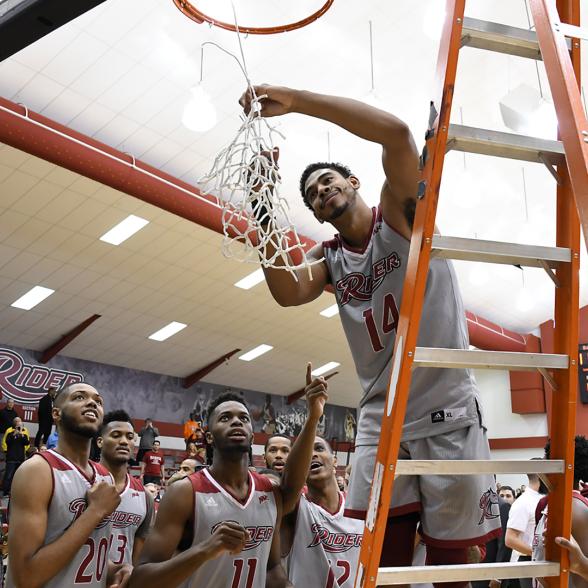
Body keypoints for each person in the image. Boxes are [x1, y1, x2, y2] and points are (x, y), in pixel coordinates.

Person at [239, 84, 500, 577]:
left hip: (445, 404)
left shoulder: (401, 213)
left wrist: (296, 101)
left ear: (353, 181)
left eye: (328, 180)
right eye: (313, 194)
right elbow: (285, 291)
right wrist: (261, 204)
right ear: (315, 214)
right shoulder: (328, 259)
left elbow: (398, 135)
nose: (321, 191)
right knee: (380, 557)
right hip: (382, 416)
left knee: (452, 562)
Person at [129, 363, 328, 588]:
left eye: (244, 418)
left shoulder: (269, 491)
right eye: (225, 418)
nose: (236, 421)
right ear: (210, 437)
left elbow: (272, 569)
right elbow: (140, 581)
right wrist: (206, 549)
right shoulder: (185, 492)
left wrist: (312, 418)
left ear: (253, 437)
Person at [6, 382, 131, 588]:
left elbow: (80, 557)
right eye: (79, 397)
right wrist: (95, 512)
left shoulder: (104, 477)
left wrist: (114, 569)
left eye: (98, 401)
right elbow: (26, 577)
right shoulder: (37, 470)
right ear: (56, 414)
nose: (92, 403)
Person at [282, 436, 363, 587]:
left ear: (334, 460)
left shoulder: (358, 507)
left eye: (319, 448)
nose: (312, 455)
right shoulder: (294, 507)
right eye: (306, 453)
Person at [97, 409, 154, 566]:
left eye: (129, 437)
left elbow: (138, 552)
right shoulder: (84, 482)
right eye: (116, 435)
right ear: (100, 441)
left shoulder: (144, 496)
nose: (124, 441)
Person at [533, 436, 588, 588]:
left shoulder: (574, 509)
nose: (543, 462)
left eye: (546, 457)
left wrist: (581, 565)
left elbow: (582, 574)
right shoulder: (556, 503)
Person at [505, 473, 545, 588]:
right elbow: (510, 539)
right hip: (527, 560)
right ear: (542, 476)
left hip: (540, 560)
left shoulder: (543, 498)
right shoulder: (523, 502)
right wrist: (538, 553)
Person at [2, 417, 30, 495]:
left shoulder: (23, 435)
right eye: (17, 426)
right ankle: (5, 492)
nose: (19, 428)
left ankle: (15, 492)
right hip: (11, 459)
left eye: (20, 427)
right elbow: (7, 442)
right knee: (8, 476)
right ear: (14, 426)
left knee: (18, 477)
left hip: (20, 459)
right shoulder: (10, 434)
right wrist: (15, 433)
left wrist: (21, 433)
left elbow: (27, 443)